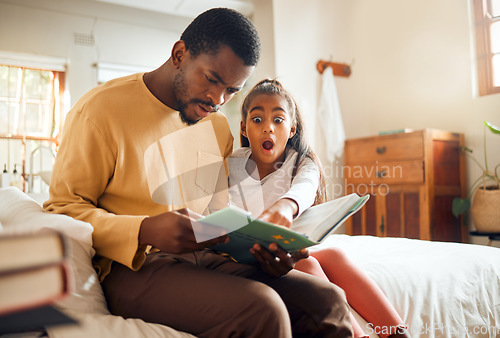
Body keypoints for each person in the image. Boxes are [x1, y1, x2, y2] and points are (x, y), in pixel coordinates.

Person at [44, 8, 354, 338]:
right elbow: (63, 210)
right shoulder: (99, 111)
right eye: (212, 80)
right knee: (263, 308)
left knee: (327, 300)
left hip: (207, 255)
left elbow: (216, 214)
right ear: (179, 54)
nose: (218, 100)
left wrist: (261, 252)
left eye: (232, 90)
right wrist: (145, 230)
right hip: (132, 267)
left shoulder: (216, 125)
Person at [227, 79, 409, 338]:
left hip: (286, 252)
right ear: (244, 128)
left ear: (292, 128)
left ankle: (398, 334)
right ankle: (358, 336)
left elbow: (305, 187)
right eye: (257, 120)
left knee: (333, 255)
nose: (268, 128)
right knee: (308, 266)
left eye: (278, 120)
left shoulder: (304, 161)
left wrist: (286, 207)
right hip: (249, 260)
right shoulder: (232, 164)